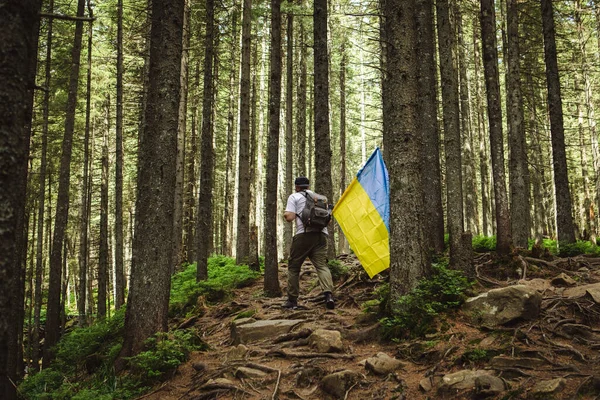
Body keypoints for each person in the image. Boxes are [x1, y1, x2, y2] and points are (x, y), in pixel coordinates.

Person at [282, 176, 335, 310]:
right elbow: (328, 221)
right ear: (308, 186)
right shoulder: (320, 198)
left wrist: (285, 213)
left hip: (304, 235)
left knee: (294, 267)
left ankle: (292, 301)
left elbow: (290, 217)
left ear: (297, 186)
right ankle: (328, 295)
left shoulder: (294, 197)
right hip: (322, 235)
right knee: (322, 266)